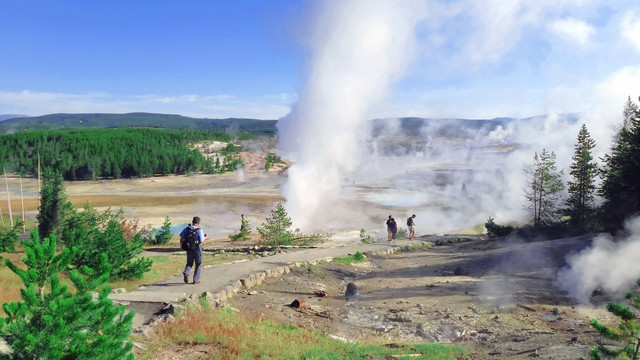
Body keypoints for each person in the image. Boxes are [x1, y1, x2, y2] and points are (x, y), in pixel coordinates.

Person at [180, 216, 206, 285]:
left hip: (189, 249)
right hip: (197, 249)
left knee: (189, 263)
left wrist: (182, 246)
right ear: (198, 223)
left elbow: (181, 238)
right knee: (198, 264)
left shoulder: (187, 229)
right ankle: (195, 280)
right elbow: (201, 241)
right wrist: (205, 238)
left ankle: (186, 272)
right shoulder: (199, 230)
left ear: (192, 222)